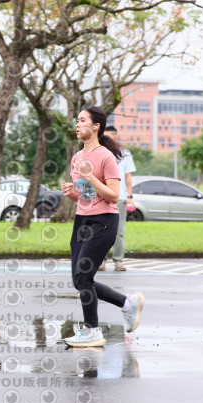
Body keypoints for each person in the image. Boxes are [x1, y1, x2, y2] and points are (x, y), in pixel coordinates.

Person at [60, 106, 144, 347]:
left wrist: (90, 177)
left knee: (84, 276)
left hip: (104, 221)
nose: (77, 125)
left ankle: (92, 331)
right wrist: (71, 193)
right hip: (82, 221)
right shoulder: (77, 157)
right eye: (77, 121)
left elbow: (113, 195)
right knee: (79, 280)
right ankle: (127, 303)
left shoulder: (106, 157)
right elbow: (85, 196)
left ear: (96, 126)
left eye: (82, 120)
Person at [98, 126, 136, 272]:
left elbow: (128, 177)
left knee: (119, 231)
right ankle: (101, 261)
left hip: (119, 198)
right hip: (102, 196)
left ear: (114, 137)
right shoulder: (99, 152)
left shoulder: (125, 154)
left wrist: (130, 197)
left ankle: (118, 261)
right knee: (101, 230)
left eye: (108, 136)